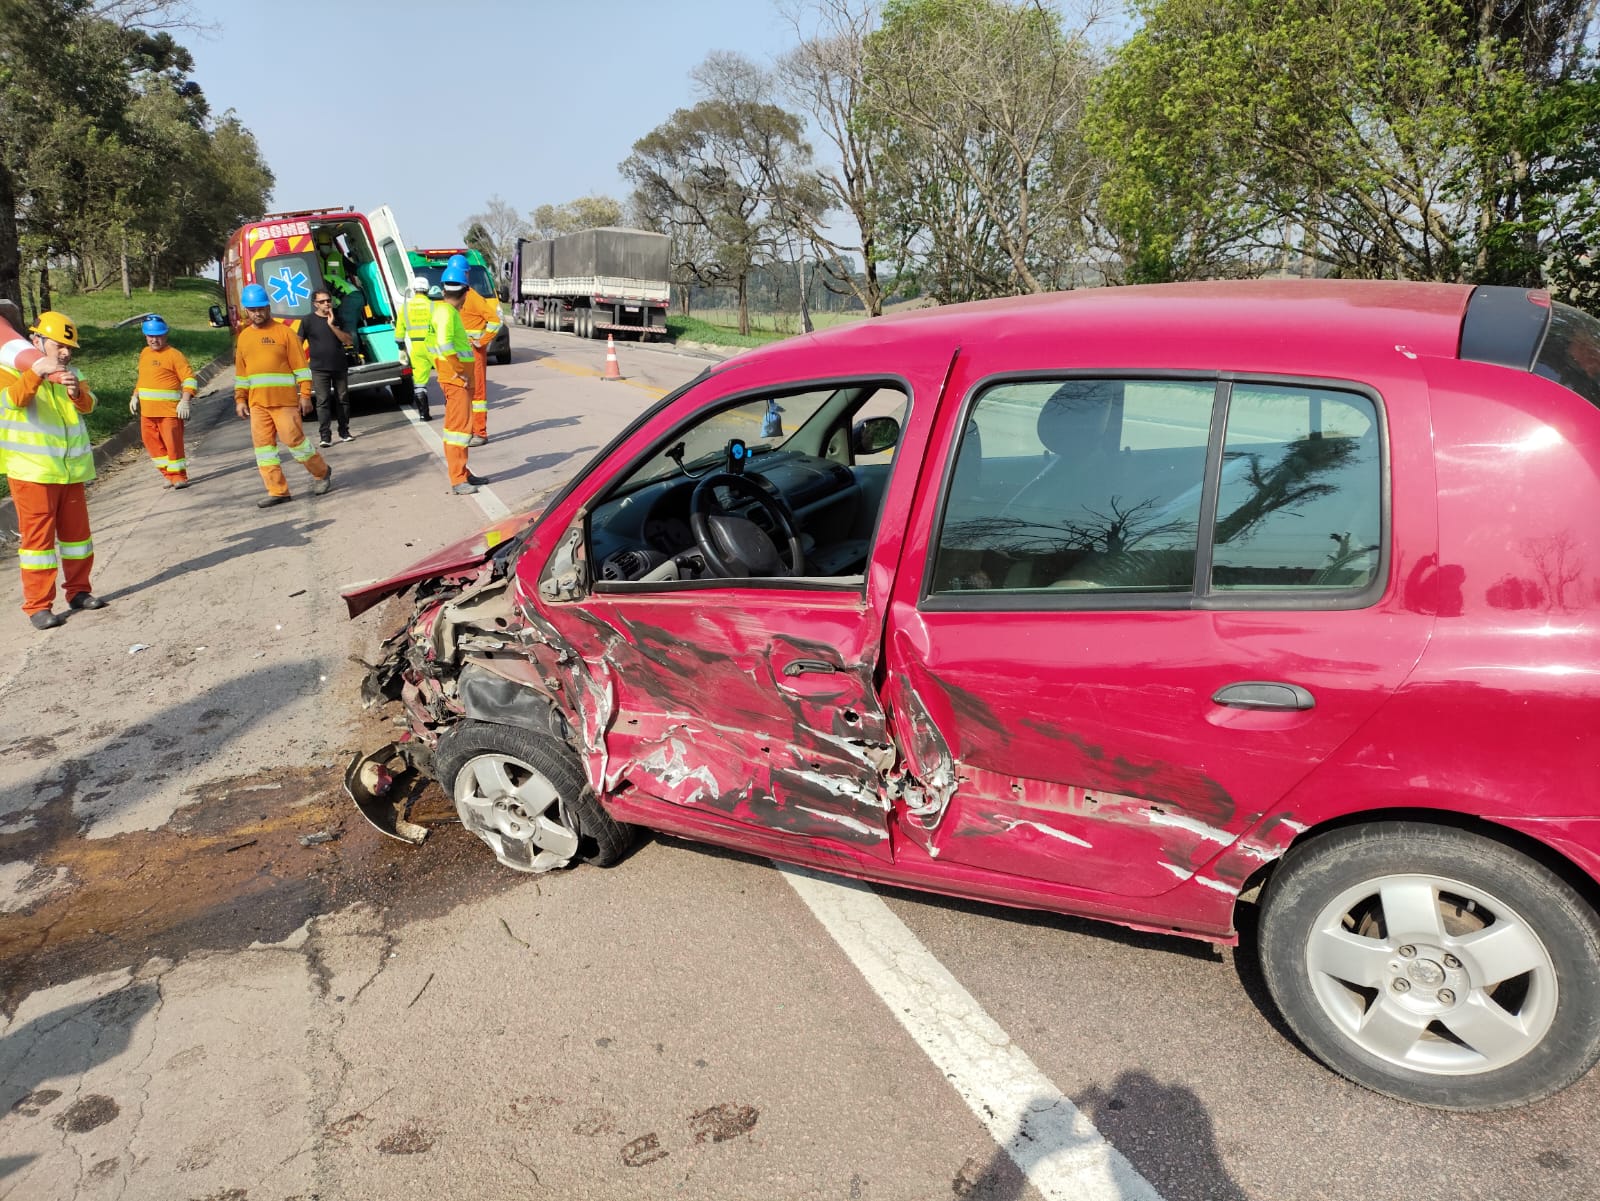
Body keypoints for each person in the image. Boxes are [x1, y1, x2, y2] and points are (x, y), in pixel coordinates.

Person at [0, 307, 106, 630]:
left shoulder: (71, 373)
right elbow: (13, 402)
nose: (64, 353)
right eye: (58, 345)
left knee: (77, 539)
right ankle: (38, 606)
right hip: (32, 473)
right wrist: (37, 371)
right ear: (36, 340)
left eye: (69, 348)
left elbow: (90, 404)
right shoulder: (10, 369)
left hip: (70, 472)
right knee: (37, 545)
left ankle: (79, 591)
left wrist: (77, 392)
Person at [234, 282, 333, 508]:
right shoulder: (244, 337)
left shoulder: (284, 333)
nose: (257, 313)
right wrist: (240, 399)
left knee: (295, 442)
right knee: (264, 450)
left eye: (261, 308)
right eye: (252, 309)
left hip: (284, 402)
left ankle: (322, 472)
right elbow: (241, 373)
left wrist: (305, 395)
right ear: (246, 310)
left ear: (268, 307)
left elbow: (301, 368)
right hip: (257, 404)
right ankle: (278, 491)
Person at [432, 266, 489, 495]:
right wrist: (459, 372)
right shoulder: (447, 313)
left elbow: (433, 345)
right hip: (457, 380)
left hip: (454, 378)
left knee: (459, 430)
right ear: (465, 292)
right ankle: (457, 479)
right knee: (458, 431)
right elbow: (445, 344)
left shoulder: (442, 310)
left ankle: (463, 473)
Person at [129, 313, 197, 488]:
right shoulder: (144, 353)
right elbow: (143, 378)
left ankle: (179, 476)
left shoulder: (174, 355)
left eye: (158, 335)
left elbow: (189, 379)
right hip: (148, 413)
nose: (154, 339)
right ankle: (168, 474)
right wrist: (135, 395)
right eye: (151, 336)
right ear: (145, 336)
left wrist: (185, 400)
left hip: (169, 412)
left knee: (173, 445)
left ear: (165, 335)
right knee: (152, 445)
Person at [452, 254, 501, 445]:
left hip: (474, 353)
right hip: (459, 353)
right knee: (463, 392)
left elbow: (495, 321)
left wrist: (482, 341)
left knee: (477, 393)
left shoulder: (473, 297)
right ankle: (466, 429)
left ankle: (479, 432)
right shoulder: (456, 298)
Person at [300, 288, 354, 446]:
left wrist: (332, 325)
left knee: (343, 399)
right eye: (322, 301)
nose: (326, 304)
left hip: (339, 366)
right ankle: (325, 436)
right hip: (318, 368)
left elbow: (348, 341)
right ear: (315, 304)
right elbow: (297, 343)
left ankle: (344, 431)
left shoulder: (338, 318)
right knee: (322, 401)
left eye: (328, 300)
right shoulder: (307, 321)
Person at [393, 275, 433, 420]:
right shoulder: (433, 306)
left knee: (420, 382)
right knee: (447, 377)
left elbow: (399, 333)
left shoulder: (405, 307)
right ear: (427, 289)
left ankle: (424, 414)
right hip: (433, 346)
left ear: (414, 290)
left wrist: (401, 348)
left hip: (416, 348)